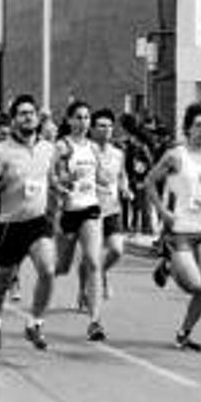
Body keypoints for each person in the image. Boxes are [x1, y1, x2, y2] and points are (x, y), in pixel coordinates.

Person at [145, 103, 201, 351]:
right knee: (194, 285)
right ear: (188, 129)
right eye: (198, 125)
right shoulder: (176, 156)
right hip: (180, 228)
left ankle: (184, 333)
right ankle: (169, 262)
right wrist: (162, 211)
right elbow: (149, 181)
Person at [0, 94, 58, 352]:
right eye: (22, 113)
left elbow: (52, 179)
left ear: (37, 117)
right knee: (2, 280)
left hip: (38, 221)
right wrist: (4, 181)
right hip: (11, 224)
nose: (28, 117)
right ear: (13, 120)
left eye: (31, 113)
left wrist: (61, 194)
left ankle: (35, 323)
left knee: (47, 270)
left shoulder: (47, 148)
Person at [51, 100, 107, 341]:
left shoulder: (94, 148)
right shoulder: (62, 146)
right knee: (61, 267)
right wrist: (60, 186)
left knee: (94, 262)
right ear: (69, 120)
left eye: (87, 118)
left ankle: (95, 321)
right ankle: (42, 290)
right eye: (79, 117)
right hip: (67, 211)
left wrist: (109, 182)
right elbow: (50, 176)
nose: (84, 122)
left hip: (90, 208)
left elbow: (101, 175)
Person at [88, 108, 131, 300]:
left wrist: (125, 188)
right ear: (92, 129)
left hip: (112, 208)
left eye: (110, 126)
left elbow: (122, 175)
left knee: (116, 249)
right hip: (89, 208)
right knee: (90, 256)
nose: (106, 130)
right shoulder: (86, 151)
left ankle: (102, 273)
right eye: (102, 126)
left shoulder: (118, 153)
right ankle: (86, 289)